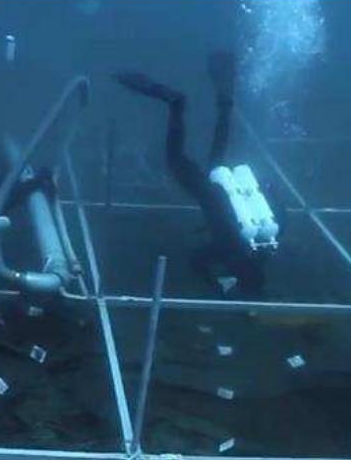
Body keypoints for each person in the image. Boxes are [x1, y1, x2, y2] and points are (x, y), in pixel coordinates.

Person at [115, 51, 275, 296]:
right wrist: (218, 284)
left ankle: (225, 99)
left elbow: (276, 209)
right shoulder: (225, 250)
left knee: (218, 150)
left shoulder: (265, 241)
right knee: (175, 158)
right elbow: (196, 261)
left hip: (230, 186)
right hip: (209, 194)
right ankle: (175, 105)